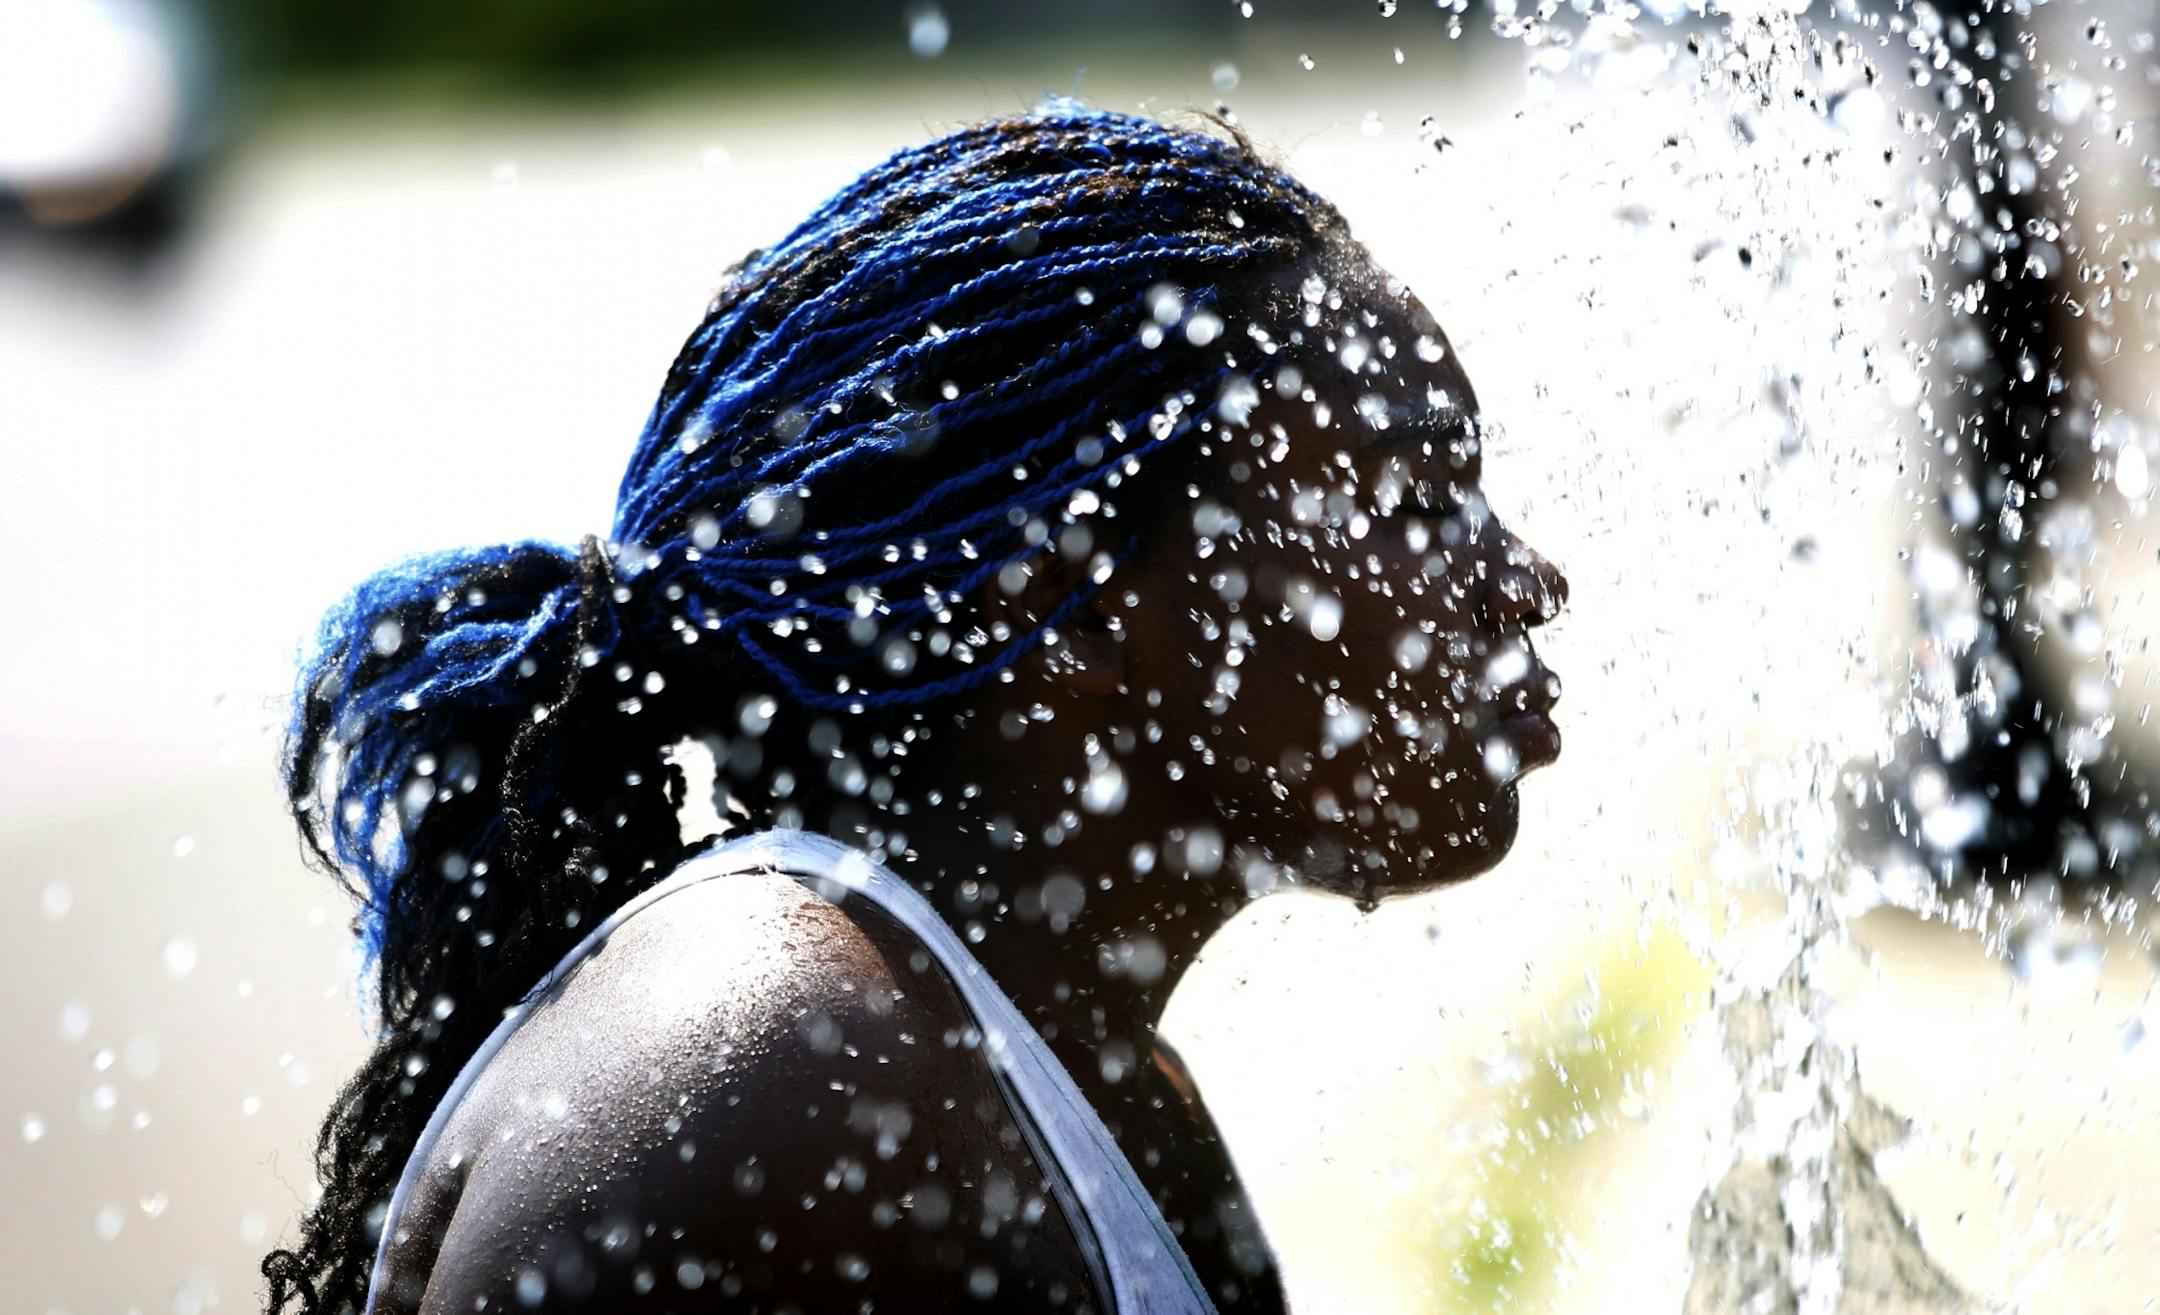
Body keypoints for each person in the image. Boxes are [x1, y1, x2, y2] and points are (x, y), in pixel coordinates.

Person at [262, 104, 1567, 1315]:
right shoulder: (789, 1083)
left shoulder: (1083, 1081)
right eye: (1414, 501)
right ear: (1075, 599)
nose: (1525, 581)